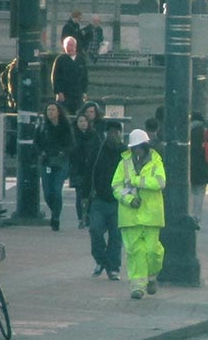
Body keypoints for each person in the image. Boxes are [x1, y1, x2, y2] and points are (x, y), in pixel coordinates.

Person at [112, 128, 166, 299]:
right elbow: (116, 187)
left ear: (145, 146)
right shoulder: (124, 164)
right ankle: (138, 287)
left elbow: (160, 182)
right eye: (133, 148)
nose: (136, 151)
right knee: (135, 252)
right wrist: (129, 200)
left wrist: (136, 181)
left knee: (152, 251)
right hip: (130, 216)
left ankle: (151, 276)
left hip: (151, 215)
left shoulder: (156, 162)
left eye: (139, 147)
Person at [88, 119, 125, 280]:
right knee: (95, 230)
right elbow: (89, 172)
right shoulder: (98, 150)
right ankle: (101, 259)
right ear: (106, 134)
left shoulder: (126, 153)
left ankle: (113, 267)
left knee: (116, 235)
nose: (114, 135)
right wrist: (85, 194)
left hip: (118, 200)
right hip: (99, 199)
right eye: (111, 132)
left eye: (117, 132)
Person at [34, 102, 74, 230]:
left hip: (61, 162)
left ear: (58, 112)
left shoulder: (65, 126)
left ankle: (56, 216)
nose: (50, 112)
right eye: (48, 110)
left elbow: (71, 144)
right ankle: (54, 210)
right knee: (47, 193)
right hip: (47, 162)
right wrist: (42, 153)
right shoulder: (42, 127)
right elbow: (36, 143)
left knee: (56, 190)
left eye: (53, 110)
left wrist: (63, 152)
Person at [68, 110, 97, 230]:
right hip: (77, 169)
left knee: (90, 195)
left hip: (91, 169)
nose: (83, 123)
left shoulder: (94, 135)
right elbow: (70, 152)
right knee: (79, 195)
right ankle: (81, 218)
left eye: (85, 121)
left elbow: (98, 150)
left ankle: (89, 216)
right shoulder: (72, 136)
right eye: (80, 121)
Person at [189, 111, 208, 228]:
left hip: (189, 166)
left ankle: (189, 215)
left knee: (190, 192)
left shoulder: (186, 132)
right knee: (200, 192)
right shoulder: (205, 132)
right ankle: (197, 216)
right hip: (203, 166)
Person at [51, 35, 89, 115]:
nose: (69, 47)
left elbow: (85, 77)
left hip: (77, 93)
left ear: (75, 46)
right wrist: (58, 92)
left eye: (71, 45)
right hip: (64, 94)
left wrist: (84, 92)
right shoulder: (60, 59)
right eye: (67, 45)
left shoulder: (81, 59)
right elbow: (55, 77)